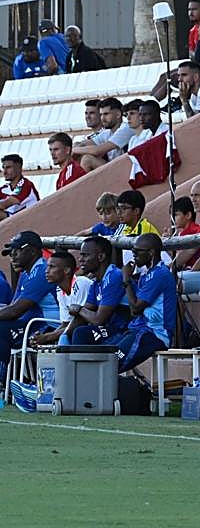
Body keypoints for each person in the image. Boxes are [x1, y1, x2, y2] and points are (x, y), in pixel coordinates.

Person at [106, 234, 177, 371]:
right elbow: (135, 309)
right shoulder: (147, 274)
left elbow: (136, 308)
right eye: (133, 251)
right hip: (138, 329)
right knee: (104, 354)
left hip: (155, 334)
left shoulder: (159, 274)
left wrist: (126, 278)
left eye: (137, 252)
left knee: (112, 362)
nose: (134, 255)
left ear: (151, 253)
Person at [0, 231, 60, 373]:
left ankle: (2, 381)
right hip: (30, 323)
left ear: (32, 251)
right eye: (11, 252)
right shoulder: (26, 272)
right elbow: (13, 305)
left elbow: (15, 311)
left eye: (17, 251)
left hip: (48, 326)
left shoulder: (41, 272)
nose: (12, 256)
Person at [68, 236, 131, 345]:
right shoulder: (96, 282)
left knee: (81, 333)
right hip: (110, 327)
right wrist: (63, 335)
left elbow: (98, 319)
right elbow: (82, 316)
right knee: (74, 332)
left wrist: (79, 309)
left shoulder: (114, 277)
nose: (80, 259)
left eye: (85, 255)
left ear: (101, 257)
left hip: (126, 329)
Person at [0, 153, 39, 220]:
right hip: (13, 222)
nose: (5, 172)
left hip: (29, 222)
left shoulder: (25, 184)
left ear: (19, 168)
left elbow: (9, 202)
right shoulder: (4, 188)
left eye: (8, 167)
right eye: (3, 168)